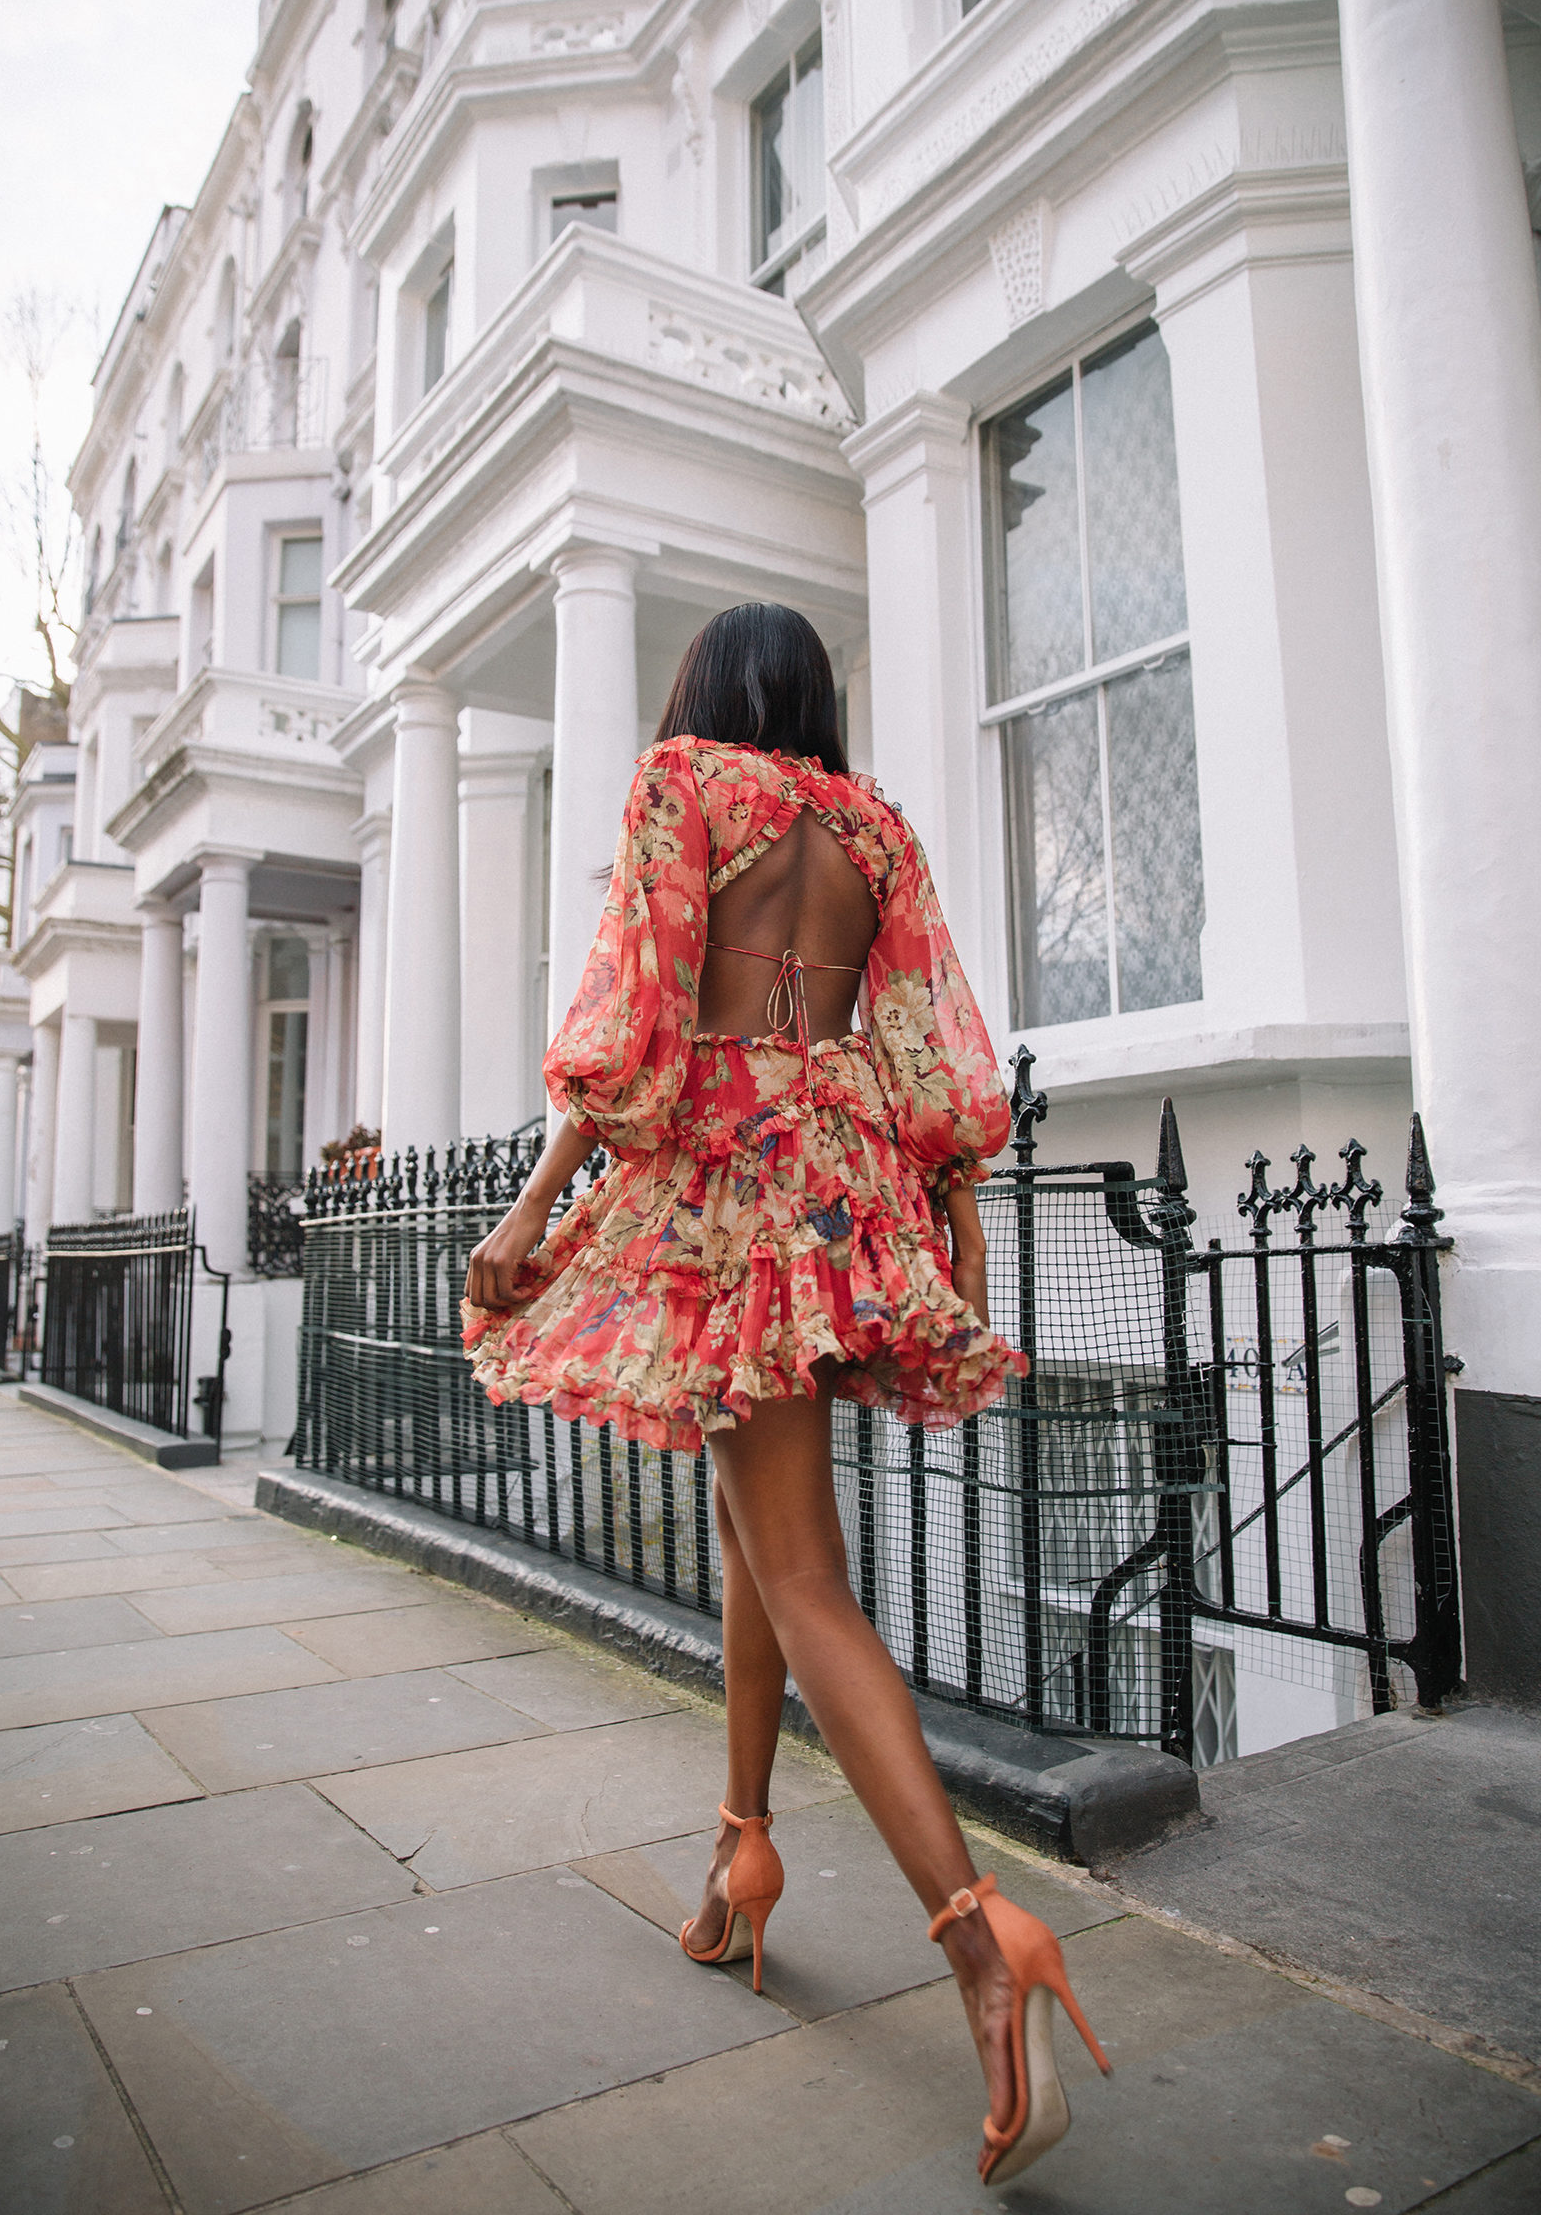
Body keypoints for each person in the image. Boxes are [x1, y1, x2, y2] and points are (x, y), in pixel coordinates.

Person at [462, 602, 1109, 2184]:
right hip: (840, 1180)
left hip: (728, 1182)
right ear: (809, 695)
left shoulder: (688, 784)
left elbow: (640, 1019)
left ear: (708, 688)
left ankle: (976, 1936)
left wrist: (535, 1206)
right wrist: (950, 1184)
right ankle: (740, 1852)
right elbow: (928, 1028)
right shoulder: (872, 822)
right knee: (765, 1537)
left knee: (802, 1572)